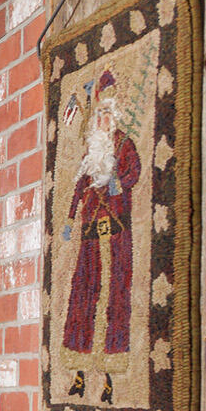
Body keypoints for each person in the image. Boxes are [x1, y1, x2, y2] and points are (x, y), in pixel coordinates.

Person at [60, 68, 142, 359]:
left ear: (114, 115)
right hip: (89, 225)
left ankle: (114, 350)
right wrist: (70, 218)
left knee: (115, 282)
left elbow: (135, 171)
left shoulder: (123, 145)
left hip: (116, 224)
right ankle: (78, 349)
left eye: (106, 114)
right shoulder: (91, 152)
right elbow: (79, 186)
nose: (102, 120)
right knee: (85, 283)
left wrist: (119, 184)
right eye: (99, 115)